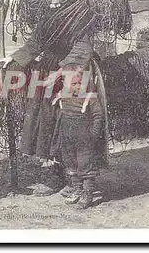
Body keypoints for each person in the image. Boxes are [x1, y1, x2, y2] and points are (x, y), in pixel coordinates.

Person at [0, 0, 99, 196]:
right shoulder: (51, 13)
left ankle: (76, 180)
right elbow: (36, 43)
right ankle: (60, 176)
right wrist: (13, 58)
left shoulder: (83, 14)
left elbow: (83, 48)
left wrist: (63, 71)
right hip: (49, 70)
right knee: (47, 121)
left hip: (74, 73)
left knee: (70, 125)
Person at [50, 63, 105, 209]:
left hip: (85, 139)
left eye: (80, 82)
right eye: (73, 84)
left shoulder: (90, 98)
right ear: (65, 84)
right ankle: (77, 189)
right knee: (71, 164)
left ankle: (88, 193)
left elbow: (98, 116)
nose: (78, 86)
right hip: (68, 138)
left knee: (85, 165)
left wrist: (93, 135)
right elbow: (56, 113)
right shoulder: (62, 97)